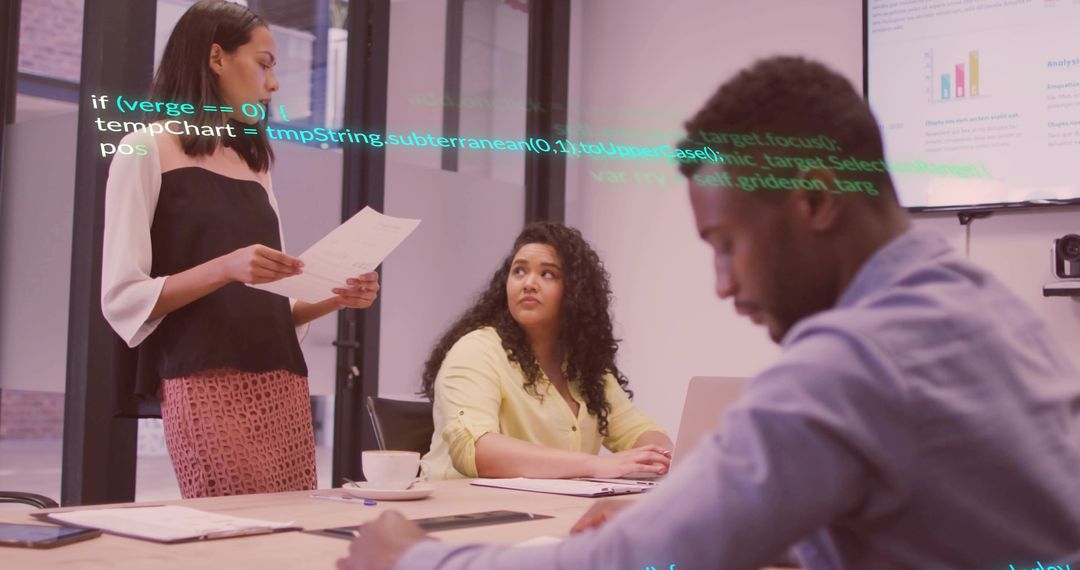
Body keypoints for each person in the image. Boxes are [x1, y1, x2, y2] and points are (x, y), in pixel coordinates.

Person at [337, 56, 1080, 569]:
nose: (723, 285)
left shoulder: (855, 363)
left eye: (727, 244)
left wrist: (414, 558)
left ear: (815, 198)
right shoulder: (980, 305)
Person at [101, 0, 379, 498]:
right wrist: (226, 267)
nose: (273, 84)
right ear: (216, 58)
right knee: (237, 532)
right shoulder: (142, 148)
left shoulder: (255, 165)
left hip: (283, 379)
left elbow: (271, 305)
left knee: (292, 534)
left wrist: (335, 295)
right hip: (203, 382)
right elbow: (123, 297)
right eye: (265, 64)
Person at [418, 221, 673, 481]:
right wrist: (594, 465)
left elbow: (637, 430)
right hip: (466, 514)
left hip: (552, 512)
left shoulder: (584, 366)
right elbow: (475, 449)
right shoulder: (476, 351)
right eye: (519, 271)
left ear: (575, 292)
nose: (529, 283)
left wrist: (662, 456)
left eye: (548, 274)